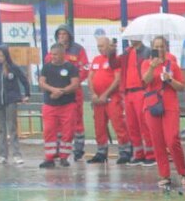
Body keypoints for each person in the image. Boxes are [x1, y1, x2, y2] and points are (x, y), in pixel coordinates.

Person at [141, 36, 185, 189]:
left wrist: (170, 80)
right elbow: (145, 81)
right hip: (152, 105)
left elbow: (181, 86)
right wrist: (152, 67)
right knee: (158, 141)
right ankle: (164, 174)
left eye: (162, 46)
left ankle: (183, 171)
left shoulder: (172, 65)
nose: (159, 49)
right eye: (156, 46)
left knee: (172, 139)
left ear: (166, 47)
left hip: (169, 105)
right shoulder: (146, 64)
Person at [85, 36, 130, 165]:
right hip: (98, 99)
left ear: (109, 46)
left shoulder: (114, 60)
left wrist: (105, 94)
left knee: (118, 124)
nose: (100, 49)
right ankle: (101, 152)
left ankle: (125, 151)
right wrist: (93, 94)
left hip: (112, 98)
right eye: (98, 46)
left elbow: (117, 79)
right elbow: (90, 77)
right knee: (99, 126)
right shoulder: (96, 59)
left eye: (102, 46)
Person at [38, 43, 80, 168]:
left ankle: (64, 157)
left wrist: (61, 92)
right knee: (49, 131)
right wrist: (53, 90)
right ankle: (49, 158)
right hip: (50, 105)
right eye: (52, 54)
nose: (53, 57)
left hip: (67, 105)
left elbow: (75, 84)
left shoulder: (71, 68)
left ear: (63, 54)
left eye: (55, 54)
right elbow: (42, 82)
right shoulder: (46, 67)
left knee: (68, 132)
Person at [51, 26, 88, 160]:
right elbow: (48, 68)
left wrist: (74, 83)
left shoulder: (78, 49)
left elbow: (84, 68)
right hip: (58, 91)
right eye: (59, 33)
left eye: (64, 34)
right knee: (59, 121)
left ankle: (78, 150)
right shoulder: (53, 50)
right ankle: (60, 150)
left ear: (69, 36)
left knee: (77, 120)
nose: (61, 36)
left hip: (74, 91)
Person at [119, 37, 155, 166]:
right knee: (132, 125)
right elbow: (115, 64)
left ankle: (150, 154)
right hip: (128, 92)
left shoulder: (146, 52)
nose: (131, 38)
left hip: (140, 90)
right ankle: (138, 153)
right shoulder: (127, 52)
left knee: (143, 124)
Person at [0, 44, 30, 166]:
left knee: (12, 127)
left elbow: (24, 80)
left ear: (6, 55)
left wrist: (27, 94)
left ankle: (16, 154)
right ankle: (1, 155)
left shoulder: (12, 67)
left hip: (11, 100)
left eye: (1, 55)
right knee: (1, 129)